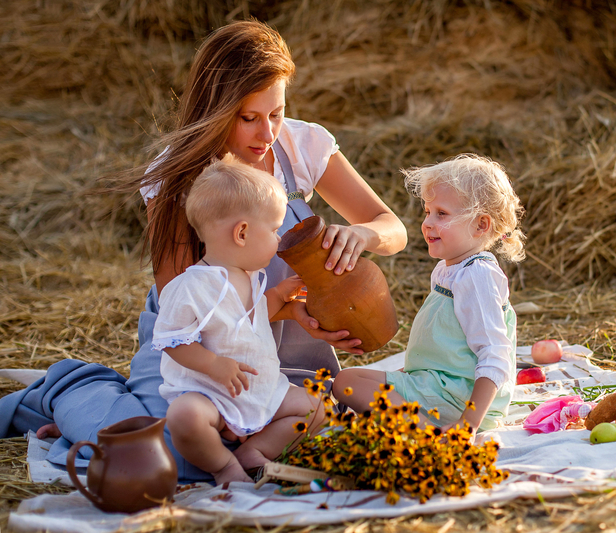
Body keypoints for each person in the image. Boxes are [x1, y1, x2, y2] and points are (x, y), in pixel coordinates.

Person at [0, 20, 406, 482]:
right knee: (176, 460)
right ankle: (74, 388)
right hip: (196, 347)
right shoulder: (174, 176)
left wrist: (362, 239)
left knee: (322, 431)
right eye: (248, 117)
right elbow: (180, 299)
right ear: (215, 109)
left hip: (281, 347)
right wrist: (277, 314)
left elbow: (392, 227)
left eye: (275, 113)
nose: (267, 133)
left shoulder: (302, 144)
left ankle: (106, 428)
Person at [154, 155, 325, 484]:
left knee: (318, 408)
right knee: (184, 417)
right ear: (243, 233)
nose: (279, 239)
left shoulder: (251, 277)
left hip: (261, 390)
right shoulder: (191, 285)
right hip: (209, 395)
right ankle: (223, 466)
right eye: (275, 229)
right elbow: (172, 340)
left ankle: (254, 451)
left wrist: (282, 299)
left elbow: (248, 318)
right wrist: (214, 364)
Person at [332, 154, 524, 432]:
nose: (428, 223)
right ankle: (415, 425)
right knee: (354, 380)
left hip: (461, 398)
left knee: (346, 382)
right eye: (427, 212)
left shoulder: (477, 275)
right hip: (442, 385)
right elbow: (443, 352)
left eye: (441, 214)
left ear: (481, 225)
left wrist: (468, 424)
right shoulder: (449, 270)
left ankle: (428, 437)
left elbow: (495, 354)